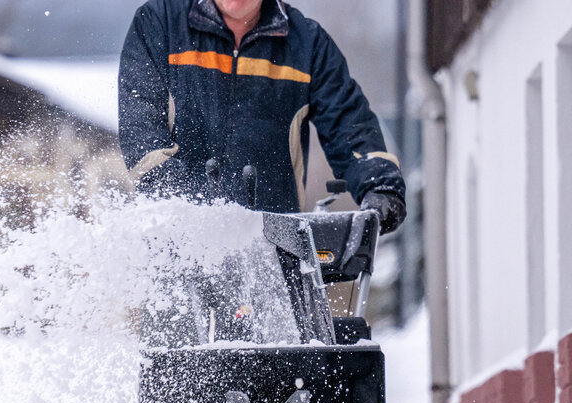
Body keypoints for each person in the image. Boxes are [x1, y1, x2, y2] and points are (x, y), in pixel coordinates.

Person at [118, 0, 406, 232]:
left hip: (274, 251)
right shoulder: (159, 24)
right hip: (181, 245)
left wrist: (379, 185)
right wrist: (192, 205)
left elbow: (349, 122)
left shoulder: (307, 45)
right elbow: (142, 131)